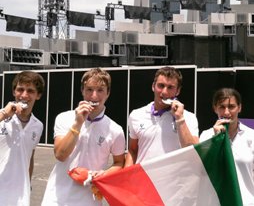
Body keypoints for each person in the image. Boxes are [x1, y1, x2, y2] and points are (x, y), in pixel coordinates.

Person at [42, 68, 125, 206]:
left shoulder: (115, 130)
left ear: (108, 93)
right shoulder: (64, 118)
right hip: (56, 199)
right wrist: (78, 122)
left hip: (90, 200)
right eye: (89, 89)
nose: (94, 96)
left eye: (100, 90)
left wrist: (100, 175)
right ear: (82, 91)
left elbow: (119, 163)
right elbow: (60, 154)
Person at [124, 66, 199, 166]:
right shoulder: (136, 115)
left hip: (174, 180)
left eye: (170, 87)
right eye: (161, 85)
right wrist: (127, 178)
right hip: (144, 179)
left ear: (178, 91)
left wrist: (180, 119)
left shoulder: (188, 117)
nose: (164, 92)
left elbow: (193, 152)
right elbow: (133, 150)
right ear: (153, 86)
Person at [200, 88, 254, 205]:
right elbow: (203, 171)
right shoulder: (206, 136)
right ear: (215, 108)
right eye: (222, 107)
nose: (226, 112)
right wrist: (216, 140)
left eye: (231, 107)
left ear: (239, 107)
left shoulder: (252, 136)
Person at [0, 71, 45, 206]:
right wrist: (3, 114)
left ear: (38, 95)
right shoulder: (2, 116)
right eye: (20, 89)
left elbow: (29, 156)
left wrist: (28, 183)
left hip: (19, 196)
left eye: (30, 91)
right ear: (14, 92)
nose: (24, 95)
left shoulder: (38, 126)